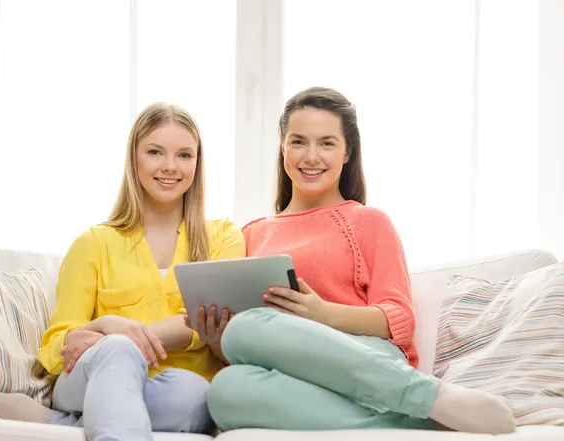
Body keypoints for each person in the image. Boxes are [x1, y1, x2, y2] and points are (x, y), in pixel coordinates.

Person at [203, 87, 516, 435]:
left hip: (366, 357)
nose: (311, 156)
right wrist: (218, 340)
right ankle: (421, 417)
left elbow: (399, 319)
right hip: (292, 371)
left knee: (249, 326)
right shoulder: (250, 234)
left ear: (347, 151)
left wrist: (322, 314)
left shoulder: (367, 222)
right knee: (224, 390)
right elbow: (255, 345)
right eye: (298, 142)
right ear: (282, 146)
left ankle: (421, 394)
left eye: (326, 143)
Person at [0, 102, 245, 440]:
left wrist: (127, 333)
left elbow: (206, 323)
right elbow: (58, 341)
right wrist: (110, 329)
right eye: (155, 152)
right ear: (134, 159)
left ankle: (55, 423)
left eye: (185, 155)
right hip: (93, 372)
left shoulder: (224, 237)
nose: (170, 166)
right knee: (119, 351)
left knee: (195, 398)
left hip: (177, 384)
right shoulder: (93, 243)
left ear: (198, 164)